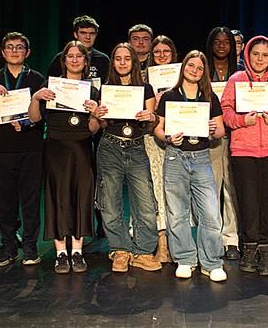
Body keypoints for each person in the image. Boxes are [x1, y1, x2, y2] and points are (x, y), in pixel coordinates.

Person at [154, 50, 227, 281]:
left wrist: (213, 130)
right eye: (191, 65)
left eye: (199, 68)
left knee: (210, 212)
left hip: (202, 157)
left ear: (204, 72)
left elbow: (221, 130)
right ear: (183, 67)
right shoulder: (169, 96)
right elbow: (158, 128)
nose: (194, 70)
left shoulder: (209, 97)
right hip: (175, 157)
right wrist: (168, 138)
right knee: (177, 213)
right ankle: (185, 259)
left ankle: (211, 262)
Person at [221, 35, 268, 276]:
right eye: (255, 54)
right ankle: (249, 248)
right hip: (243, 150)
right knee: (248, 201)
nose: (260, 59)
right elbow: (225, 111)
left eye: (265, 55)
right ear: (248, 55)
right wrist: (242, 121)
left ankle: (267, 249)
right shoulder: (236, 80)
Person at [29, 41, 101, 274]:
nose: (75, 60)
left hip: (81, 148)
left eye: (79, 56)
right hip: (56, 149)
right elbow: (34, 119)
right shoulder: (51, 86)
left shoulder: (92, 91)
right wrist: (36, 98)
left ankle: (77, 251)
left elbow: (93, 129)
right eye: (70, 56)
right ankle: (61, 252)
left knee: (81, 196)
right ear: (64, 60)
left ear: (85, 61)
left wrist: (95, 114)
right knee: (57, 196)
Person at [0, 32, 46, 267]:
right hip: (2, 149)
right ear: (3, 52)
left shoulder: (37, 78)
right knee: (5, 203)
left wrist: (27, 122)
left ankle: (30, 247)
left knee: (31, 201)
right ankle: (8, 247)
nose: (14, 51)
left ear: (28, 52)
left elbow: (41, 116)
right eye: (9, 47)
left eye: (19, 47)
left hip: (31, 148)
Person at [93, 43, 162, 273]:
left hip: (136, 146)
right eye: (118, 58)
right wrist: (99, 116)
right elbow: (101, 124)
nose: (122, 63)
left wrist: (151, 117)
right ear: (112, 62)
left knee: (145, 203)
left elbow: (151, 124)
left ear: (134, 62)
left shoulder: (145, 88)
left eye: (127, 59)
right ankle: (120, 249)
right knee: (110, 202)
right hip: (110, 146)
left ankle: (143, 251)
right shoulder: (105, 89)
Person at [204, 27, 241, 260]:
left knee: (232, 190)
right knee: (210, 189)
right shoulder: (201, 71)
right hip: (209, 137)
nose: (221, 45)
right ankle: (212, 237)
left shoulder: (240, 72)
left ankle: (231, 239)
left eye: (226, 42)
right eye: (217, 41)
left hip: (236, 135)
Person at [143, 35, 179, 263]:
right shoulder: (144, 80)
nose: (162, 55)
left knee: (176, 192)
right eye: (157, 52)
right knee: (156, 190)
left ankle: (178, 244)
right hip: (151, 138)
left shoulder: (183, 78)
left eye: (166, 51)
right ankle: (162, 243)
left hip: (178, 139)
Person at [47, 15, 111, 85]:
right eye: (83, 33)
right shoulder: (60, 58)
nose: (88, 37)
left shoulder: (103, 60)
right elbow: (51, 83)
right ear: (75, 34)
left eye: (92, 33)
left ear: (96, 35)